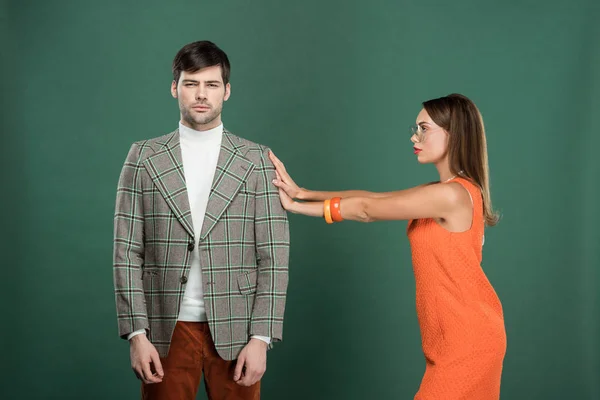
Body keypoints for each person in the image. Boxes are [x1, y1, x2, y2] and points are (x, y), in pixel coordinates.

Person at [269, 93, 506, 399]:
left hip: (468, 341)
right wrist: (303, 193)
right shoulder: (441, 191)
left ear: (454, 133)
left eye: (424, 128)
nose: (414, 136)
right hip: (450, 340)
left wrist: (298, 207)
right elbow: (375, 198)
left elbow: (366, 210)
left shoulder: (453, 196)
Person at [113, 40, 290, 400]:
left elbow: (274, 255)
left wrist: (261, 338)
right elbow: (126, 251)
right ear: (175, 87)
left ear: (226, 91)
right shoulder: (143, 157)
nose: (201, 94)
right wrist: (137, 334)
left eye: (211, 84)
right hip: (166, 328)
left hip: (238, 329)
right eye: (191, 83)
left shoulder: (256, 160)